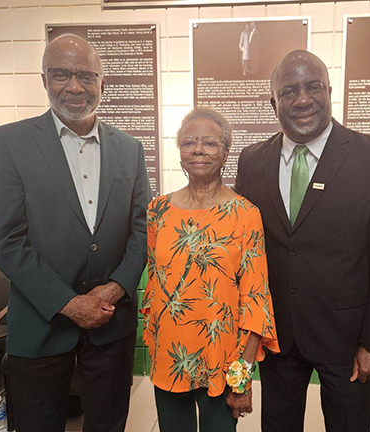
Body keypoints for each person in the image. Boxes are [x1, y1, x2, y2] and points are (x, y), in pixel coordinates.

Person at [235, 50, 370, 432]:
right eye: (288, 91)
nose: (302, 99)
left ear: (329, 91)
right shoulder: (251, 161)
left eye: (313, 87)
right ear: (273, 102)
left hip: (349, 341)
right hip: (278, 337)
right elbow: (245, 251)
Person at [0, 34, 152, 432]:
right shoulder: (9, 142)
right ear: (44, 80)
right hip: (40, 321)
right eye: (61, 74)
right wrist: (67, 303)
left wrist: (112, 289)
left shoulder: (130, 148)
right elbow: (6, 239)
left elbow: (143, 229)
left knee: (109, 424)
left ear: (102, 85)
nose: (74, 86)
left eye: (85, 76)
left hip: (112, 321)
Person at [141, 107, 279, 432]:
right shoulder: (157, 211)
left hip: (223, 359)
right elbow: (154, 284)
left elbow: (256, 299)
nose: (198, 149)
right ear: (179, 150)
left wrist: (242, 376)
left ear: (226, 151)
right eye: (189, 142)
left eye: (210, 143)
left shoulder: (246, 214)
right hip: (170, 356)